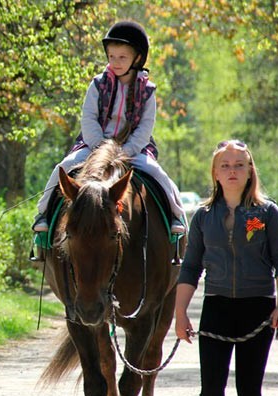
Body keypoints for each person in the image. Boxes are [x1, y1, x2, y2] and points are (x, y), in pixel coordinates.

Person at [174, 140, 278, 396]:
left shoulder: (266, 214)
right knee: (211, 391)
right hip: (217, 309)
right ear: (214, 172)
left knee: (249, 390)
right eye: (225, 166)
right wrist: (180, 313)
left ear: (250, 170)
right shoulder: (203, 216)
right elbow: (190, 267)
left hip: (258, 309)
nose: (232, 171)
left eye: (239, 165)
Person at [33, 20, 185, 235]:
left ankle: (176, 216)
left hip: (133, 149)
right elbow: (89, 118)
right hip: (93, 146)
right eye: (112, 56)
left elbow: (145, 127)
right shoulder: (98, 84)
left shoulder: (148, 91)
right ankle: (43, 213)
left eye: (122, 57)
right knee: (65, 165)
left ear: (138, 58)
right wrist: (100, 148)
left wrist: (125, 151)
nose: (116, 62)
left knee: (157, 173)